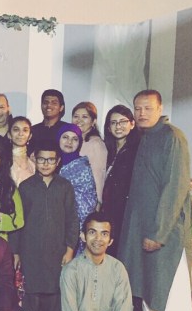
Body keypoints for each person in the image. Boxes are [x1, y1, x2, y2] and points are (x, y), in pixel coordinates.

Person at [119, 89, 192, 311]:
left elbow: (175, 188)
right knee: (148, 285)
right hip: (142, 228)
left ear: (160, 108)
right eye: (137, 108)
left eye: (147, 108)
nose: (142, 113)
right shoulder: (145, 138)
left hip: (165, 233)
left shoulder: (172, 137)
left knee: (171, 292)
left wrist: (159, 233)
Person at [9, 141, 79, 311]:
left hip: (57, 251)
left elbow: (72, 219)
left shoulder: (65, 187)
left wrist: (70, 248)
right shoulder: (26, 187)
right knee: (33, 295)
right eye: (41, 159)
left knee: (52, 295)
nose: (46, 164)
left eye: (50, 160)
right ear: (35, 160)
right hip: (30, 250)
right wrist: (16, 251)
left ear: (58, 162)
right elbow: (17, 222)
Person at [101, 105, 140, 256]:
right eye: (113, 122)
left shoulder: (138, 150)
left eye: (123, 122)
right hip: (107, 211)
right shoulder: (105, 150)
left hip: (126, 213)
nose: (118, 126)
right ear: (108, 127)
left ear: (132, 124)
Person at [57, 123, 97, 252]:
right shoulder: (49, 161)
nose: (69, 142)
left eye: (74, 139)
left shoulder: (82, 167)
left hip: (74, 226)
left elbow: (89, 200)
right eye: (65, 137)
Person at [72, 102, 107, 205]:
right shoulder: (72, 141)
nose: (79, 120)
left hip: (86, 201)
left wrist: (98, 203)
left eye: (85, 117)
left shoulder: (96, 144)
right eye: (76, 116)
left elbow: (99, 177)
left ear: (93, 121)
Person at [9, 116, 35, 186]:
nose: (21, 134)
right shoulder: (3, 160)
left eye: (25, 130)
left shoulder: (33, 162)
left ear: (30, 136)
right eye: (16, 130)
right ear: (9, 135)